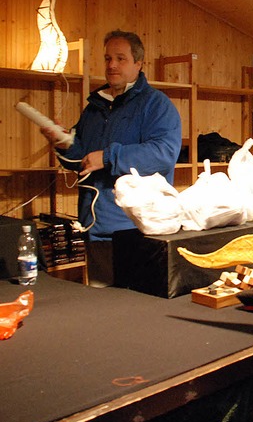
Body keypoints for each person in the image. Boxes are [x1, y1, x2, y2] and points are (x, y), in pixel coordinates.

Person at [41, 30, 182, 286]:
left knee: (139, 314)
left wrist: (108, 157)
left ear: (139, 64)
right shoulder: (94, 107)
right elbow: (82, 159)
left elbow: (164, 154)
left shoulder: (156, 105)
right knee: (103, 315)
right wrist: (64, 144)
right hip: (96, 230)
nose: (112, 65)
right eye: (107, 58)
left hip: (137, 232)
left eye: (120, 58)